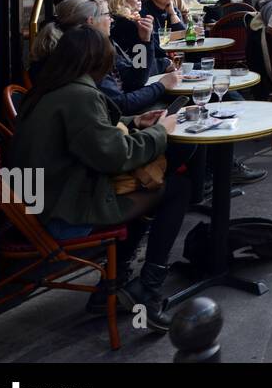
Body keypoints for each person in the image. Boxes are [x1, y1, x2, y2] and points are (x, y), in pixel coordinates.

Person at [11, 24, 190, 331]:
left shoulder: (49, 89)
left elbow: (88, 132)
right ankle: (146, 288)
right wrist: (162, 130)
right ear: (98, 62)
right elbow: (114, 155)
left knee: (149, 191)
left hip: (41, 202)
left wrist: (135, 120)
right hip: (65, 214)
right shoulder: (79, 96)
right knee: (176, 188)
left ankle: (114, 283)